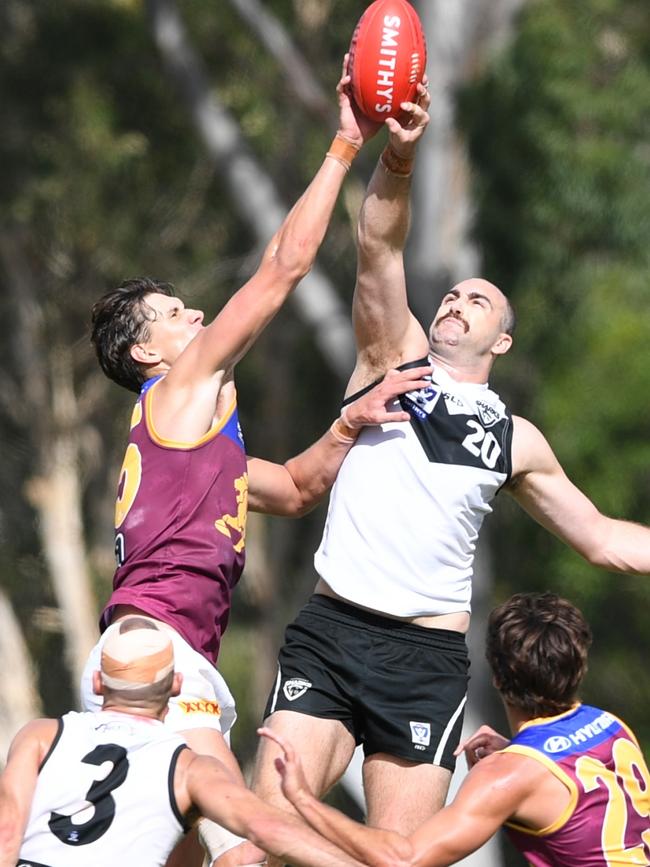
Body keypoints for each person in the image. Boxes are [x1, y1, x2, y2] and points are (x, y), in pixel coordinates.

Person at [251, 72, 650, 851]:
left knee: (396, 855)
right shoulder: (390, 357)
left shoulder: (515, 437)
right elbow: (378, 243)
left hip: (425, 659)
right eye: (453, 294)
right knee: (257, 826)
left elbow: (601, 537)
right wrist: (398, 159)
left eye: (478, 301)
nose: (456, 302)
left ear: (500, 341)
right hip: (329, 632)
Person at [82, 57, 431, 866]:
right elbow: (282, 269)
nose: (197, 315)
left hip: (141, 653)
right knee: (248, 846)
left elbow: (301, 486)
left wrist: (351, 421)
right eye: (176, 314)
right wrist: (346, 145)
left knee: (186, 855)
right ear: (146, 351)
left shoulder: (200, 447)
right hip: (160, 653)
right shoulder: (179, 388)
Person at [261, 592, 650, 866]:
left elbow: (404, 860)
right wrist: (516, 753)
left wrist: (304, 800)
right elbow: (579, 789)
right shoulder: (613, 728)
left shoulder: (510, 776)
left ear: (497, 677)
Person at [0, 616, 369, 867]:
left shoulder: (41, 735)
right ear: (176, 686)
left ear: (97, 683)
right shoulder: (189, 768)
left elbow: (7, 830)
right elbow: (266, 831)